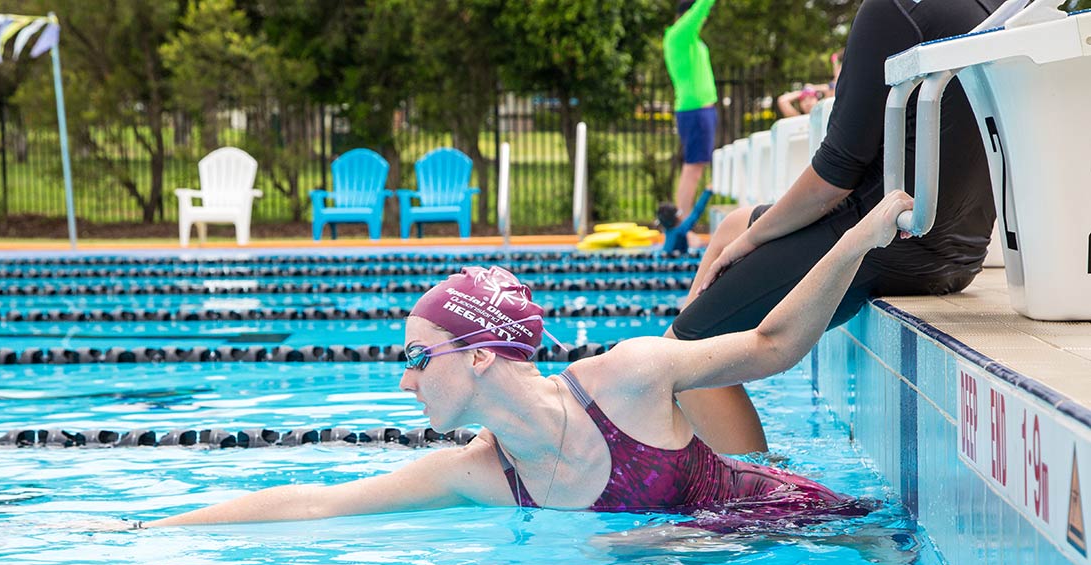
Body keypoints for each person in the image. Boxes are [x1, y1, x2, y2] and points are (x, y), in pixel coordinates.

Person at [139, 190, 915, 530]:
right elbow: (317, 503)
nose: (403, 378)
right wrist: (146, 528)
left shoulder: (629, 377)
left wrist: (859, 240)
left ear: (479, 356)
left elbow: (772, 347)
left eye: (416, 356)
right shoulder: (478, 473)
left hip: (812, 525)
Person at [666, 0, 1002, 457]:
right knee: (728, 228)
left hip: (894, 237)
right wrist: (744, 233)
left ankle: (761, 506)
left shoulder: (893, 10)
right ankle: (695, 423)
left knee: (682, 355)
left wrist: (754, 239)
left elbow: (833, 179)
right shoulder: (989, 4)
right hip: (959, 245)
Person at [659, 0, 719, 230]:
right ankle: (681, 227)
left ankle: (682, 226)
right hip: (694, 110)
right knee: (692, 168)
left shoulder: (690, 40)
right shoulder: (679, 35)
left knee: (695, 167)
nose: (702, 21)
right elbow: (701, 8)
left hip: (701, 110)